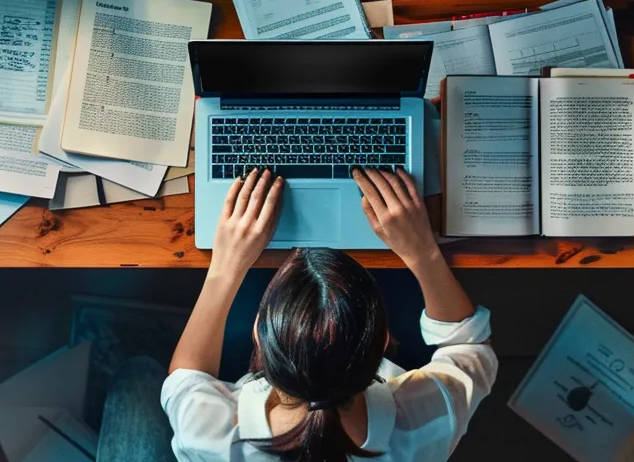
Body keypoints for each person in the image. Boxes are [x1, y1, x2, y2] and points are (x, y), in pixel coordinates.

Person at [160, 167, 496, 462]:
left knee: (136, 375)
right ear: (383, 341)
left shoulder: (205, 435)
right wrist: (422, 250)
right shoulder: (428, 423)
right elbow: (470, 348)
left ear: (258, 334)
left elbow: (185, 378)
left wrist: (225, 266)